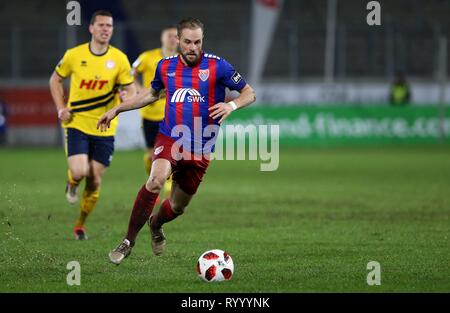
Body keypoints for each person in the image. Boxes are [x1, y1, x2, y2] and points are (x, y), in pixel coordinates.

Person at [97, 17, 256, 264]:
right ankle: (128, 240)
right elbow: (150, 95)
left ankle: (156, 225)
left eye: (198, 42)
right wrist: (118, 109)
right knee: (155, 180)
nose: (193, 47)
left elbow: (249, 93)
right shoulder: (165, 66)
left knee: (178, 207)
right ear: (178, 40)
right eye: (188, 42)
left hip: (202, 147)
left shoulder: (218, 66)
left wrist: (231, 105)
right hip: (171, 137)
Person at [49, 10, 136, 240]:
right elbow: (55, 79)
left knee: (95, 179)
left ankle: (80, 225)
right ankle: (72, 181)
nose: (106, 29)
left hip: (105, 127)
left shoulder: (119, 59)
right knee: (79, 171)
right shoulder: (74, 55)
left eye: (109, 26)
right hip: (77, 123)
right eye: (101, 25)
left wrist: (128, 97)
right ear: (91, 28)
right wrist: (61, 108)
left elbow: (131, 88)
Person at [132, 25, 178, 199]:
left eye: (175, 36)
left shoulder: (183, 60)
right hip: (150, 114)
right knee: (151, 154)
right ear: (162, 38)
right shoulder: (148, 57)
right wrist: (141, 91)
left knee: (172, 152)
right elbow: (131, 73)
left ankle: (166, 184)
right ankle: (153, 177)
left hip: (172, 115)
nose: (173, 39)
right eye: (169, 36)